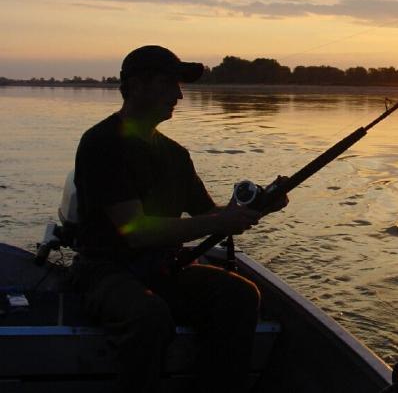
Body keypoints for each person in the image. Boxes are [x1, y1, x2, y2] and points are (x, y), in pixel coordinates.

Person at [72, 45, 287, 392]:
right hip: (106, 271)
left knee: (241, 296)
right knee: (149, 316)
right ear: (137, 86)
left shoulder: (175, 154)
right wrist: (220, 222)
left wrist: (257, 206)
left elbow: (208, 214)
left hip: (164, 268)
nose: (180, 95)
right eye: (169, 84)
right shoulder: (102, 143)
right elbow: (136, 233)